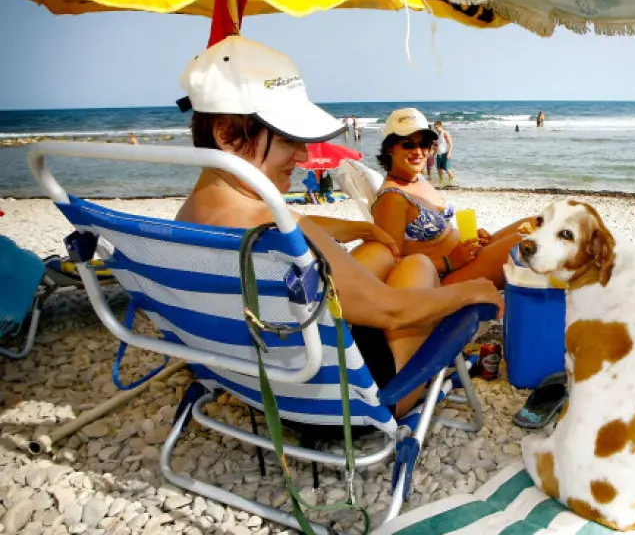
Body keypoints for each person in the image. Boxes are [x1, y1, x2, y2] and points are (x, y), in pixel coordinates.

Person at [173, 37, 502, 416]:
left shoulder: (185, 222)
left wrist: (358, 229)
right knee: (417, 265)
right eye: (288, 139)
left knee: (380, 252)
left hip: (258, 383)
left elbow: (283, 225)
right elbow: (393, 312)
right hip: (348, 401)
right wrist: (471, 291)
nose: (302, 155)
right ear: (227, 136)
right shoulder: (283, 228)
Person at [371, 108, 530, 289]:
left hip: (465, 256)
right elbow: (390, 263)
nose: (418, 151)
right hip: (443, 276)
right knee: (525, 242)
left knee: (534, 224)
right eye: (408, 145)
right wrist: (448, 262)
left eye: (424, 144)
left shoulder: (417, 179)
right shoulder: (391, 199)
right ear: (390, 148)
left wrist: (471, 237)